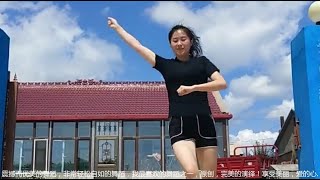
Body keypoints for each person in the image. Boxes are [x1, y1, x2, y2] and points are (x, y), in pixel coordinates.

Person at [107, 17, 227, 179]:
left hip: (205, 124)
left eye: (183, 39)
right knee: (191, 172)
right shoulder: (166, 65)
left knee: (208, 176)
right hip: (179, 125)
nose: (179, 43)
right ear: (170, 44)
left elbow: (221, 83)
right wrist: (118, 28)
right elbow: (137, 46)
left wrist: (193, 88)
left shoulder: (202, 63)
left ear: (191, 41)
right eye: (175, 40)